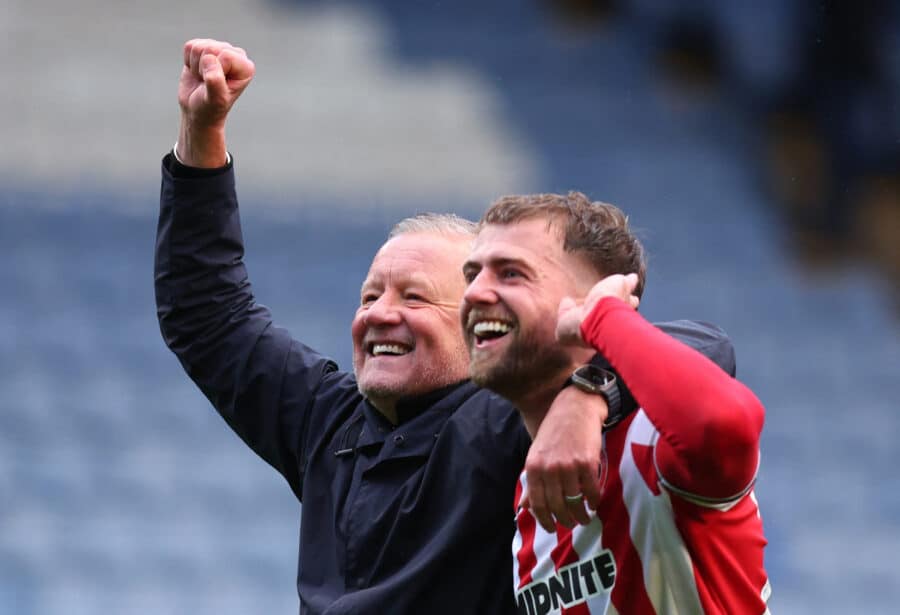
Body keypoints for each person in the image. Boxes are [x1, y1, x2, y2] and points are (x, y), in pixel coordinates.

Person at [155, 39, 739, 613]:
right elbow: (208, 315)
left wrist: (588, 397)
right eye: (370, 295)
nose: (381, 313)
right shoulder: (327, 424)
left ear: (480, 321)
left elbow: (704, 349)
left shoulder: (510, 415)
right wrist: (201, 136)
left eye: (415, 298)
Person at [461, 193, 771, 614]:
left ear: (596, 297)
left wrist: (602, 320)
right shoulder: (528, 495)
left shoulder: (653, 441)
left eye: (511, 274)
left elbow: (725, 421)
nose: (475, 293)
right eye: (472, 275)